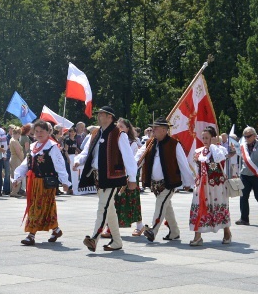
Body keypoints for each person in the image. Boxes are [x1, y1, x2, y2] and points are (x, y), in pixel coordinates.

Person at [74, 107, 138, 252]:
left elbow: (128, 157)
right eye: (99, 114)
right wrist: (79, 160)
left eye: (102, 114)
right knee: (109, 210)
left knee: (102, 207)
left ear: (110, 117)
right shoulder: (95, 133)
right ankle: (117, 241)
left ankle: (94, 238)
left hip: (113, 178)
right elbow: (88, 152)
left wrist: (132, 177)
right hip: (98, 177)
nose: (99, 116)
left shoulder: (118, 134)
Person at [135, 117, 194, 242]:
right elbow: (139, 156)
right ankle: (174, 232)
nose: (153, 130)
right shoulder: (149, 143)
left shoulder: (174, 144)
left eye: (155, 128)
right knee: (166, 208)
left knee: (160, 205)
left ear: (164, 130)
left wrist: (188, 182)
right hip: (155, 184)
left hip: (169, 183)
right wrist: (133, 165)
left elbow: (183, 163)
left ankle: (153, 230)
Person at [13, 120, 70, 246]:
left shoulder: (52, 146)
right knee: (47, 207)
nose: (38, 134)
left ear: (48, 132)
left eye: (41, 131)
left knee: (36, 207)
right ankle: (56, 229)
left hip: (45, 183)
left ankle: (31, 234)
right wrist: (17, 178)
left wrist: (65, 181)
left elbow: (59, 165)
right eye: (36, 131)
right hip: (33, 182)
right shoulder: (34, 146)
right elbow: (26, 164)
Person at [189, 126, 233, 246]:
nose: (204, 140)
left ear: (213, 138)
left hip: (217, 186)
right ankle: (197, 236)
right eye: (203, 137)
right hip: (201, 185)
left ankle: (227, 232)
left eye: (207, 138)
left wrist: (214, 145)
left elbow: (221, 159)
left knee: (219, 208)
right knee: (198, 208)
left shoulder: (219, 150)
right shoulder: (198, 151)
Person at [102, 118, 144, 237]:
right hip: (117, 174)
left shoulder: (133, 143)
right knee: (114, 201)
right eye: (118, 126)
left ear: (127, 129)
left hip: (129, 174)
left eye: (122, 126)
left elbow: (129, 159)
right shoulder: (113, 140)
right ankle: (110, 227)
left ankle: (139, 226)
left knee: (133, 200)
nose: (119, 128)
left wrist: (130, 177)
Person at [9, 127, 25, 197]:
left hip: (14, 158)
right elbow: (18, 152)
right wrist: (22, 160)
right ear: (17, 133)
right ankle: (14, 191)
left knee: (13, 175)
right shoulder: (14, 141)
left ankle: (13, 190)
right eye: (19, 134)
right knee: (17, 175)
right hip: (16, 159)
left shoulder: (13, 140)